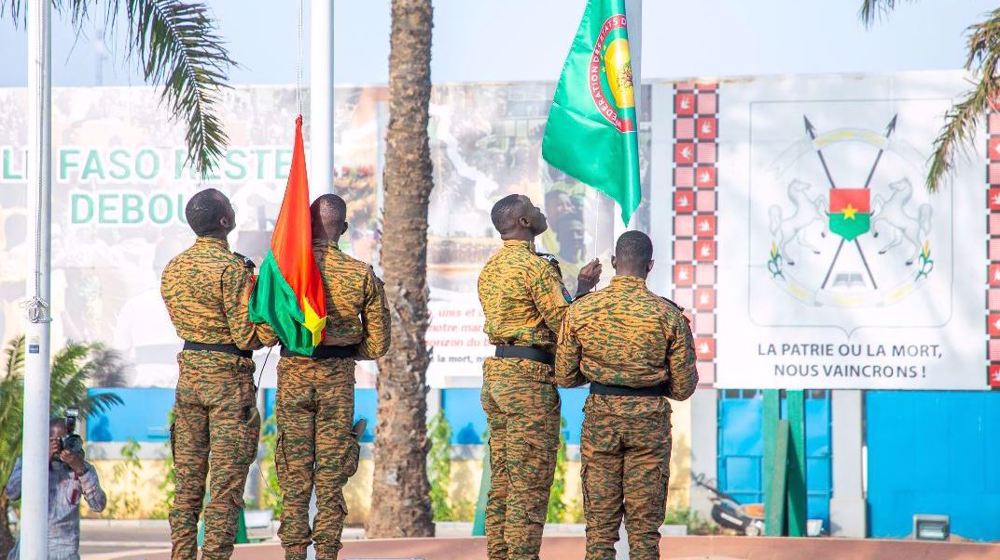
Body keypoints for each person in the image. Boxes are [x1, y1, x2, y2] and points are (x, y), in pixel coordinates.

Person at [554, 231, 698, 560]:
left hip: (601, 419)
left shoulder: (581, 311)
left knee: (601, 530)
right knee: (644, 531)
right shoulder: (669, 315)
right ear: (649, 266)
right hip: (649, 422)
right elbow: (684, 387)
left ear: (615, 263)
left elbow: (564, 375)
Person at [477, 194, 601, 560]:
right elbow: (565, 323)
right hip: (528, 380)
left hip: (498, 376)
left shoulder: (491, 268)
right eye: (534, 208)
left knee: (502, 480)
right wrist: (583, 289)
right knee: (528, 482)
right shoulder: (535, 269)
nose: (542, 211)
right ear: (524, 223)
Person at [160, 188, 276, 560]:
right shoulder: (232, 270)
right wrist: (277, 318)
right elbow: (247, 335)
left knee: (187, 487)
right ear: (225, 221)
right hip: (228, 384)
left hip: (190, 380)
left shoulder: (173, 267)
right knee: (224, 490)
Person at [275, 194, 389, 560]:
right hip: (337, 381)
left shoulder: (285, 273)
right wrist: (345, 349)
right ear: (342, 228)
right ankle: (326, 553)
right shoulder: (360, 274)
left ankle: (294, 553)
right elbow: (378, 344)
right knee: (330, 478)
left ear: (304, 228)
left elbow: (263, 330)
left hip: (293, 374)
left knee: (295, 476)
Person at [5, 417, 107, 560]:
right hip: (30, 548)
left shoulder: (80, 468)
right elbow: (11, 492)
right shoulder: (27, 462)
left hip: (64, 552)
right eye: (52, 439)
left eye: (62, 439)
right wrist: (42, 459)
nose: (58, 445)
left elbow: (98, 505)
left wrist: (81, 470)